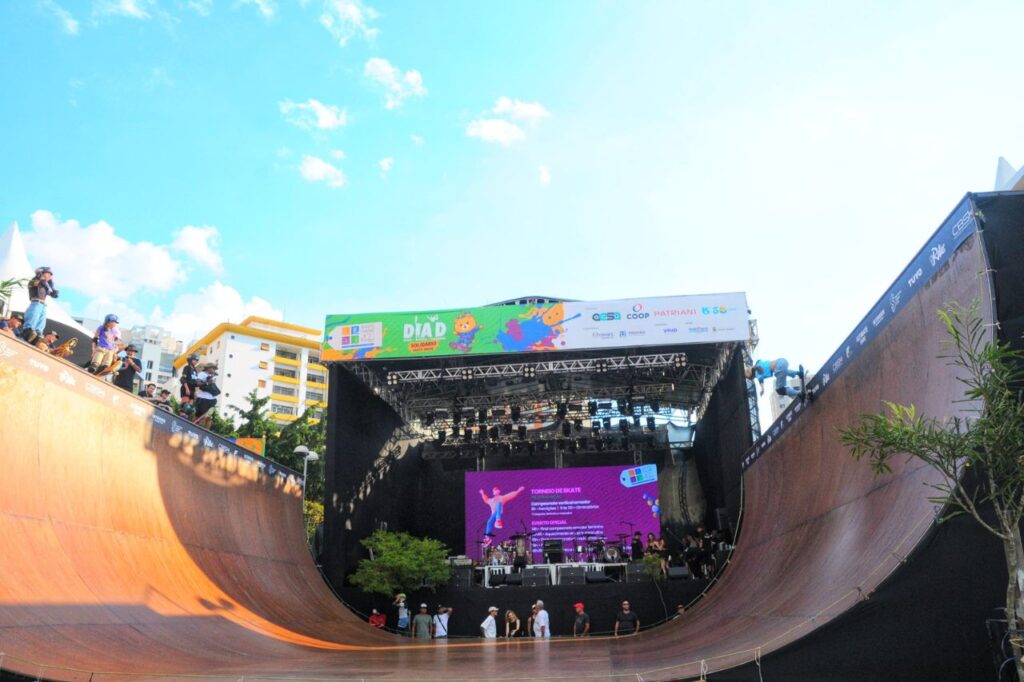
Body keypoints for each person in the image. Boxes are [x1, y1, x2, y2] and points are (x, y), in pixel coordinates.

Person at [22, 266, 58, 344]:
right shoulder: (35, 280)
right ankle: (28, 332)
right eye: (48, 274)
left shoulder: (46, 284)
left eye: (50, 275)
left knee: (40, 325)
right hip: (36, 302)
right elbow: (35, 284)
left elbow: (51, 293)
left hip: (43, 305)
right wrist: (41, 278)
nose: (50, 276)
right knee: (32, 321)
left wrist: (53, 289)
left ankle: (37, 335)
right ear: (42, 273)